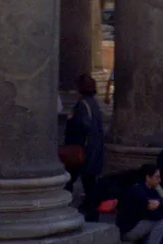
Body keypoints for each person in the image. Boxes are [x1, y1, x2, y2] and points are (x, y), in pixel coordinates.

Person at [64, 75, 106, 219]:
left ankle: (65, 209)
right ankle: (93, 214)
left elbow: (82, 127)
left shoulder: (82, 104)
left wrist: (70, 121)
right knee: (89, 185)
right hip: (94, 151)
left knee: (70, 180)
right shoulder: (94, 103)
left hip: (83, 151)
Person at [117, 165, 163, 244]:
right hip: (128, 231)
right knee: (162, 221)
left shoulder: (152, 190)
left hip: (141, 225)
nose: (160, 180)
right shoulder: (138, 191)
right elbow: (152, 214)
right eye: (157, 177)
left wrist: (159, 203)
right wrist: (161, 206)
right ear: (148, 177)